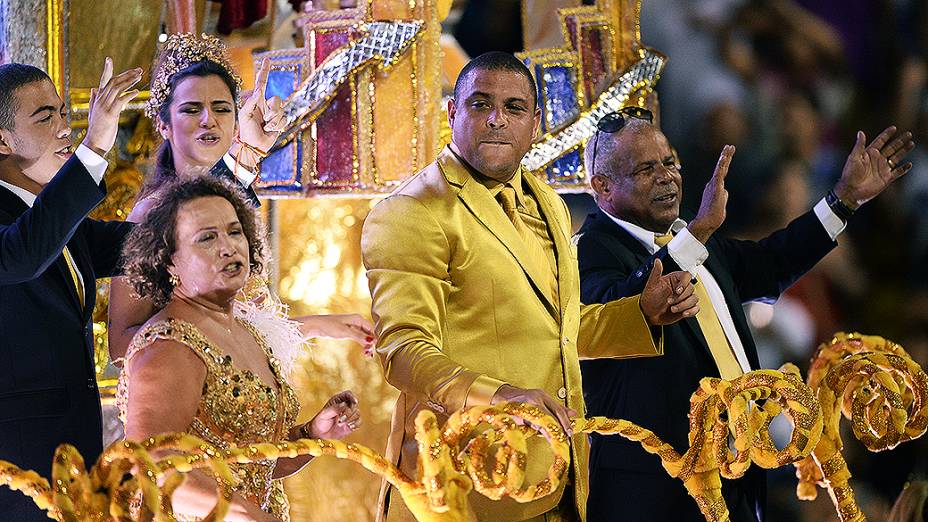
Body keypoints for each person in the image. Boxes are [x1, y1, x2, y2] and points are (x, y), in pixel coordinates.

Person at [361, 52, 700, 522]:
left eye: (514, 107)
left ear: (535, 122)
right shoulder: (411, 211)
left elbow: (560, 328)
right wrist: (498, 394)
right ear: (452, 113)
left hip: (560, 475)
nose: (497, 119)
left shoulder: (549, 203)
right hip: (466, 485)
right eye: (480, 104)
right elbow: (403, 350)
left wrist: (640, 315)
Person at [575, 107, 914, 521]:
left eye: (669, 163)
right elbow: (615, 314)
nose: (666, 177)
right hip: (655, 492)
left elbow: (771, 263)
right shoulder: (588, 249)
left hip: (735, 471)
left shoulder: (689, 239)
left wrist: (843, 200)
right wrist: (698, 232)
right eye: (646, 169)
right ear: (602, 185)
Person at [108, 33, 374, 363]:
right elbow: (121, 346)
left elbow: (240, 325)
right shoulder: (151, 213)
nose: (209, 119)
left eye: (221, 108)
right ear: (163, 124)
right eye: (192, 109)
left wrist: (317, 325)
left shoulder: (231, 198)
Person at [118, 175, 362, 522]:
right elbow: (154, 467)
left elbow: (253, 463)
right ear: (168, 262)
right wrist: (249, 516)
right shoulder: (169, 344)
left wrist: (311, 434)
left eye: (235, 232)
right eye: (207, 238)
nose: (229, 247)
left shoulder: (244, 331)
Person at [0, 58, 141, 520]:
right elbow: (22, 256)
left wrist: (238, 166)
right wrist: (98, 142)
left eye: (64, 113)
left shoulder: (59, 221)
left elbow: (149, 241)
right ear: (2, 140)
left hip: (75, 467)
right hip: (16, 484)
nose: (66, 128)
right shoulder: (27, 230)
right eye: (45, 117)